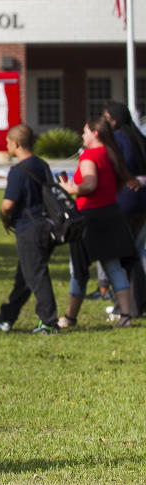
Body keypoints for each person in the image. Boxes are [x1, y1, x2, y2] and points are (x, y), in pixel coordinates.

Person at [57, 117, 140, 329]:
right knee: (113, 266)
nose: (82, 136)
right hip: (111, 214)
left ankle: (70, 317)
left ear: (95, 133)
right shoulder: (111, 153)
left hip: (89, 218)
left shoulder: (90, 155)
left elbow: (89, 184)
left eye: (85, 132)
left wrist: (71, 188)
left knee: (79, 269)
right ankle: (125, 316)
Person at [0, 124, 59, 334]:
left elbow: (7, 204)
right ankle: (7, 316)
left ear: (17, 144)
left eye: (8, 142)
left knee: (36, 275)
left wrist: (5, 219)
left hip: (29, 228)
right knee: (25, 275)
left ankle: (48, 322)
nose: (7, 145)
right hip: (47, 226)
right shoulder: (42, 165)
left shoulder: (18, 171)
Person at [103, 102, 146, 315]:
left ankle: (126, 307)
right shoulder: (139, 138)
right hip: (142, 202)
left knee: (123, 256)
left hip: (124, 203)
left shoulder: (117, 140)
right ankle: (139, 302)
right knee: (137, 254)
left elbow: (117, 168)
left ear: (113, 120)